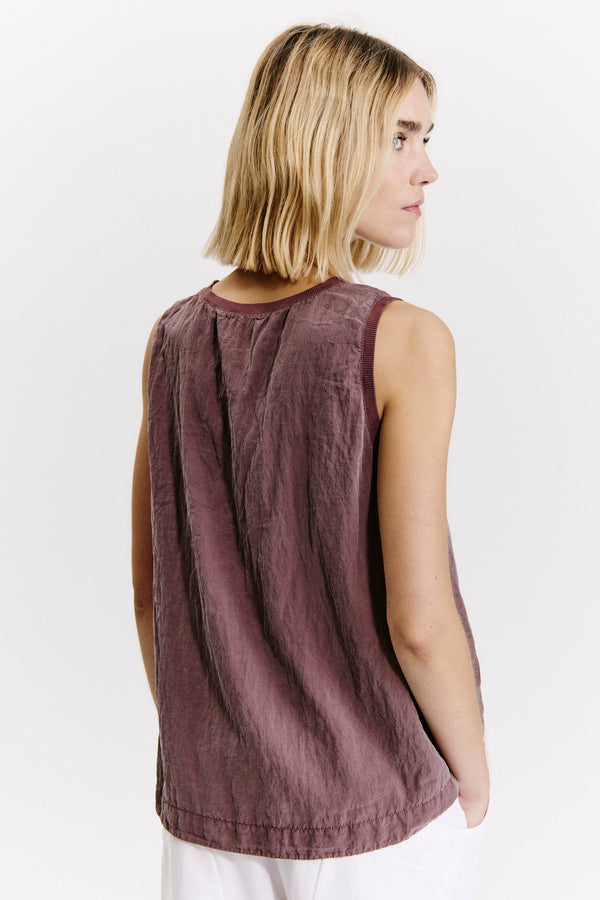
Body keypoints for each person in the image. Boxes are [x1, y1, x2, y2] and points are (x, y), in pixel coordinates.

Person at [131, 23, 490, 900]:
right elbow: (419, 619)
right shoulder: (403, 340)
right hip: (376, 819)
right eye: (400, 137)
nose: (427, 169)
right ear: (322, 140)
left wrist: (229, 749)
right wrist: (472, 775)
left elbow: (153, 595)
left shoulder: (173, 338)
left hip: (210, 819)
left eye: (425, 138)